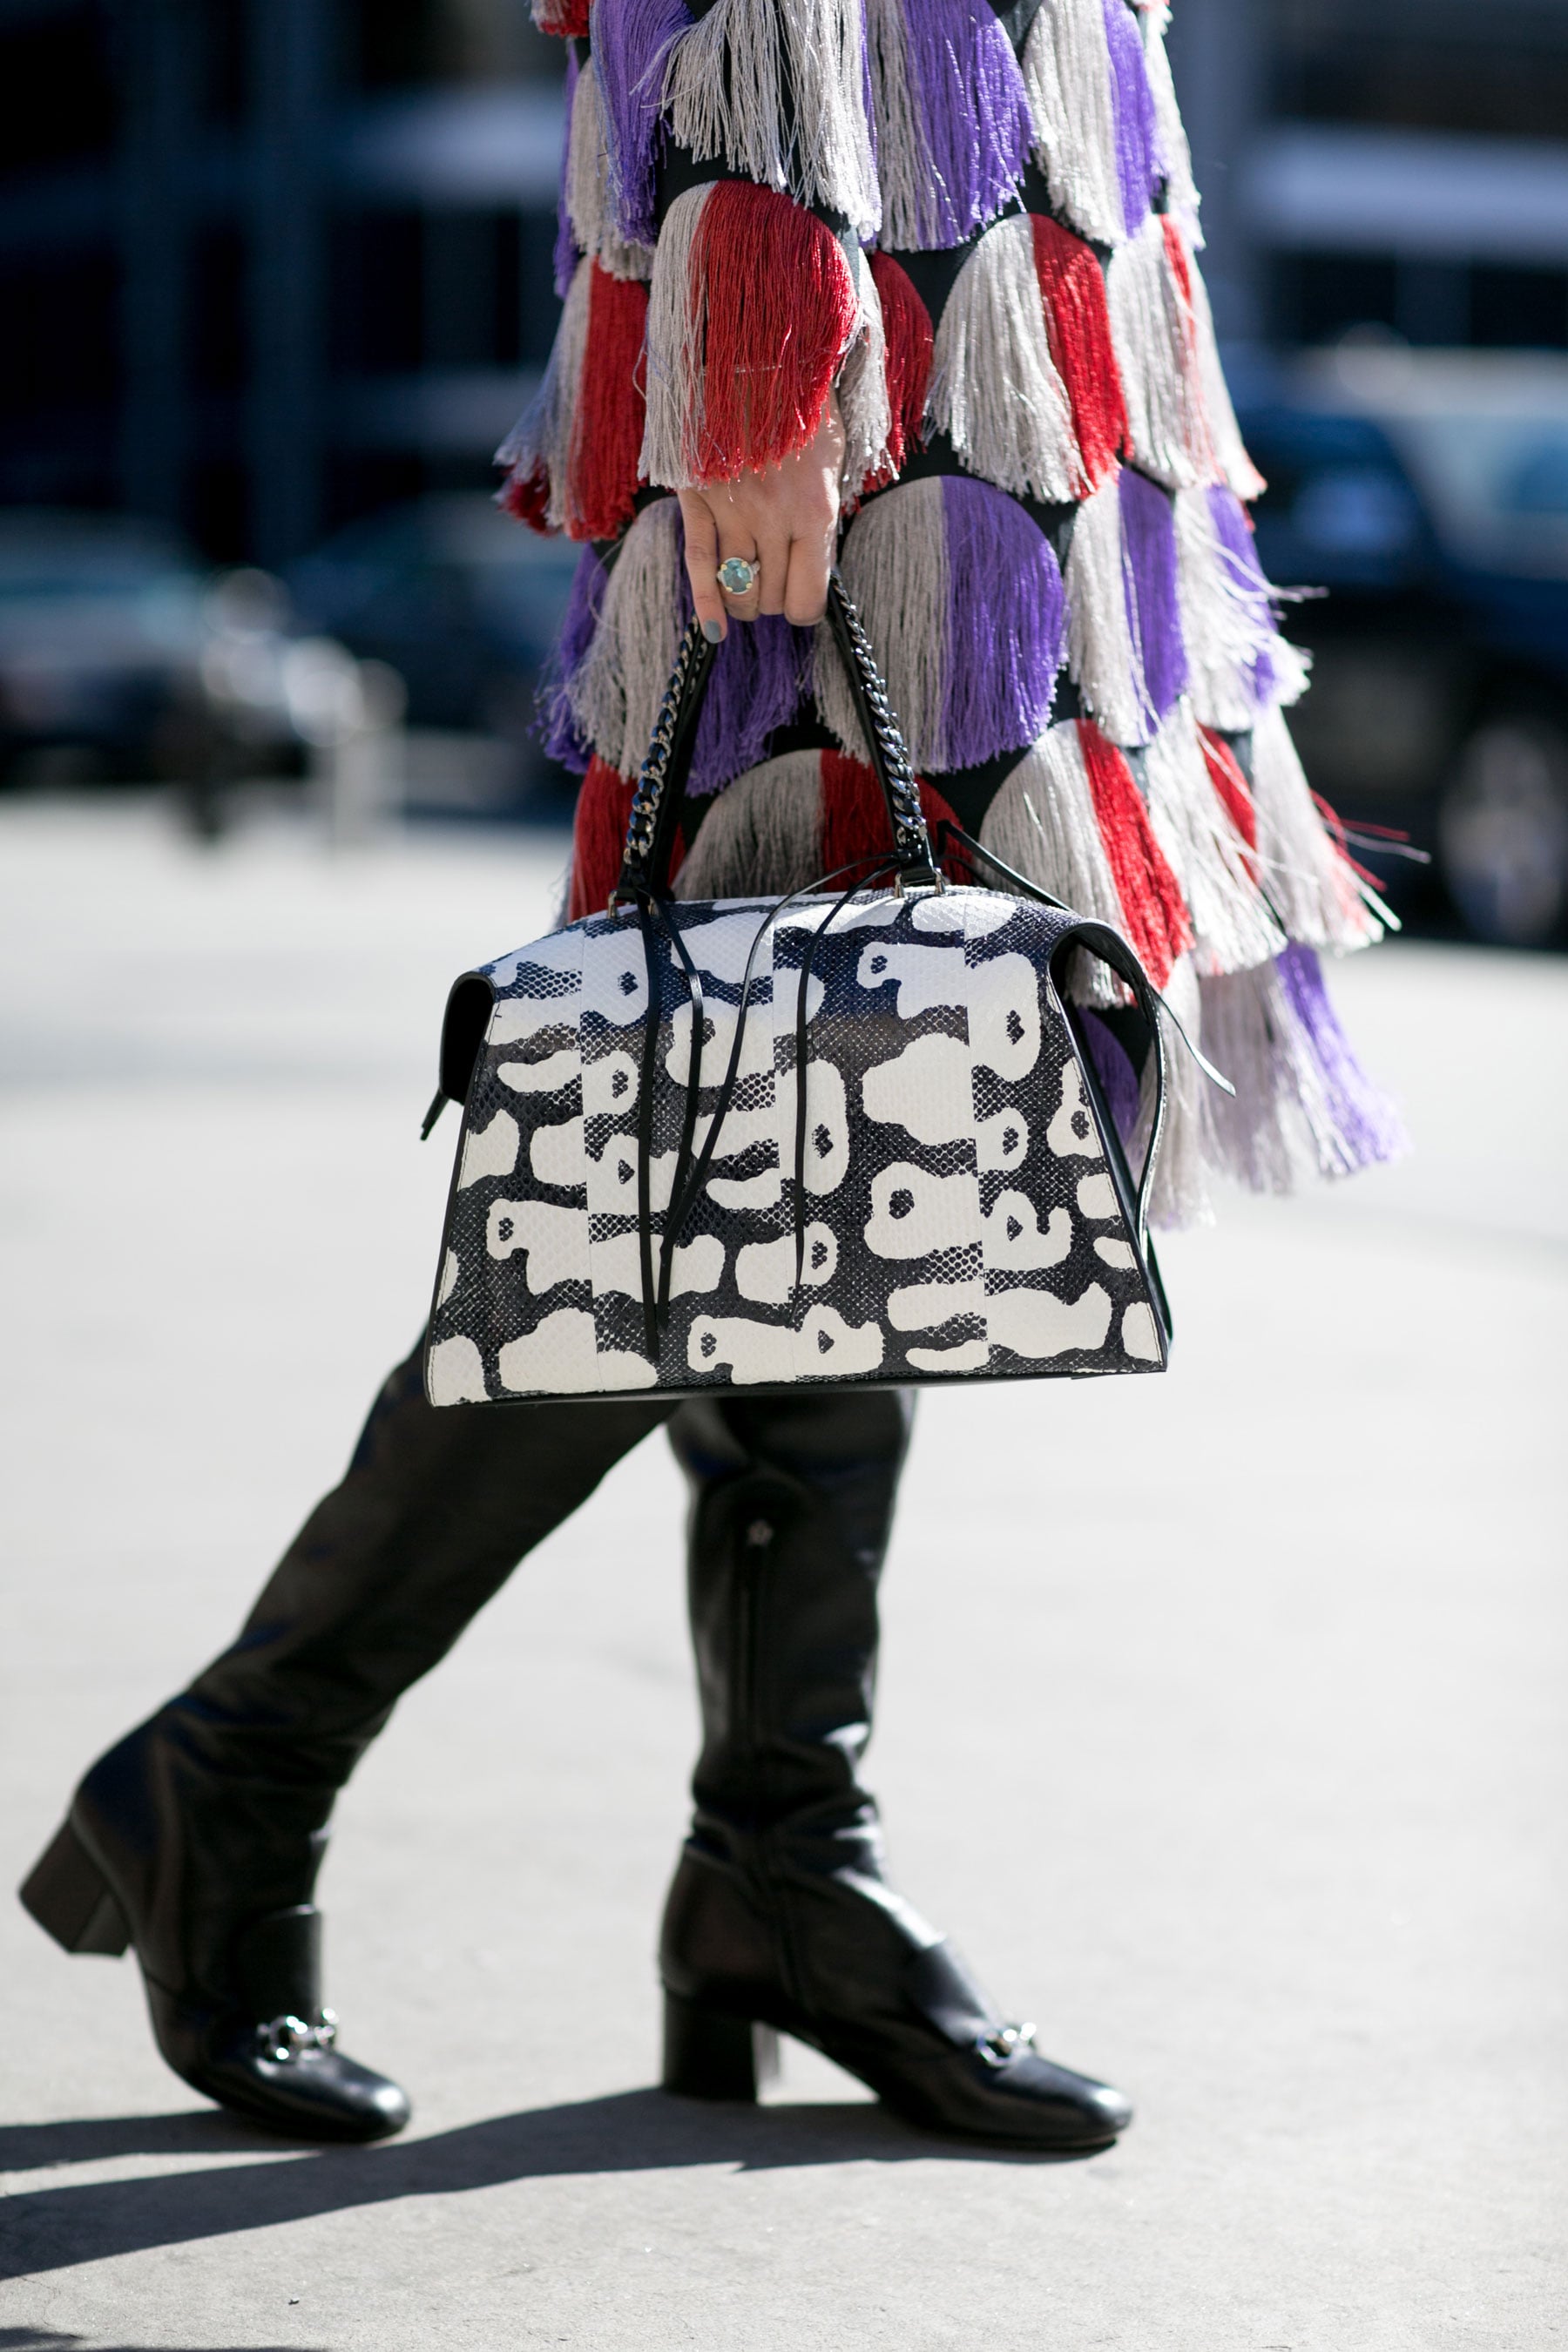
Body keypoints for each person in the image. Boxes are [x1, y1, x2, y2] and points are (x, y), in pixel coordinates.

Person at [20, 0, 1400, 2152]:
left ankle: (766, 1852)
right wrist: (759, 328)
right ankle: (263, 1770)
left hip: (1006, 301)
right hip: (870, 330)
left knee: (847, 1120)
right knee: (716, 1132)